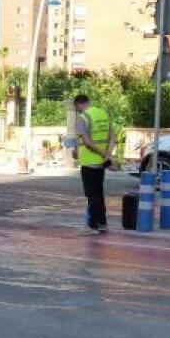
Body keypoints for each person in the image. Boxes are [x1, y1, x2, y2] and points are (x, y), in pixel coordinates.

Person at [73, 94, 115, 235]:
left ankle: (93, 226)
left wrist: (104, 154)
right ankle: (103, 224)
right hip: (100, 163)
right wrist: (107, 154)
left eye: (76, 107)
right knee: (99, 193)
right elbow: (112, 137)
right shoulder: (102, 113)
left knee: (92, 195)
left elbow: (87, 142)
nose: (77, 110)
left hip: (89, 161)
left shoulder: (82, 118)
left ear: (79, 104)